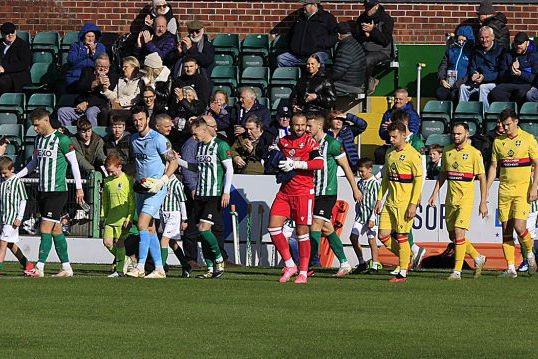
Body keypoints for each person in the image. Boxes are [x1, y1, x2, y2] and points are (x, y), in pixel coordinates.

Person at [18, 108, 85, 278]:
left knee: (44, 227)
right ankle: (66, 267)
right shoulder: (38, 140)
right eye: (33, 126)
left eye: (37, 125)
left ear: (46, 121)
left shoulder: (61, 140)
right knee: (56, 230)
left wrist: (79, 187)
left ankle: (39, 267)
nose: (35, 129)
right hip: (43, 190)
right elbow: (33, 164)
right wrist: (15, 177)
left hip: (57, 191)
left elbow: (74, 164)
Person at [268, 113, 324, 284]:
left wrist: (296, 164)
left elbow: (319, 163)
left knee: (301, 232)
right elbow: (273, 157)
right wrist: (273, 155)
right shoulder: (283, 141)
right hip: (285, 191)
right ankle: (290, 264)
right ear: (290, 125)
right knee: (273, 228)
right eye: (296, 125)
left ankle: (304, 272)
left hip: (303, 192)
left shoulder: (310, 141)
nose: (300, 128)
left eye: (303, 125)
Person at [428, 123, 488, 280]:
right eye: (454, 134)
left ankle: (457, 271)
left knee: (459, 231)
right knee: (453, 236)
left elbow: (482, 177)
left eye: (459, 134)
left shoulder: (474, 154)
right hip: (450, 200)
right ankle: (478, 257)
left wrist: (483, 201)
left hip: (465, 200)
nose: (456, 136)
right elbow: (443, 174)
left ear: (467, 134)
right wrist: (434, 193)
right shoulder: (447, 151)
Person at [125, 106, 178, 279]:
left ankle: (140, 266)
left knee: (141, 224)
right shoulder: (133, 139)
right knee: (150, 229)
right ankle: (159, 268)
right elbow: (138, 164)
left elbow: (174, 162)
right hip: (141, 188)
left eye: (141, 119)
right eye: (135, 120)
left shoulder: (159, 139)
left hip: (156, 188)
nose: (138, 123)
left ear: (148, 119)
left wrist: (161, 181)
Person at [177, 117, 234, 279]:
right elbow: (197, 168)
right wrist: (178, 161)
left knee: (204, 229)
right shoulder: (200, 147)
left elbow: (229, 169)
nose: (194, 138)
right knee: (201, 233)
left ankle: (218, 258)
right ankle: (210, 268)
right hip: (200, 195)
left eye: (196, 134)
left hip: (214, 195)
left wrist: (226, 191)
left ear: (203, 130)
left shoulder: (220, 145)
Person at [306, 113, 361, 277]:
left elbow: (346, 167)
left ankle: (310, 263)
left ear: (319, 126)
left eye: (310, 126)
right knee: (327, 228)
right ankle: (344, 263)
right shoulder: (310, 144)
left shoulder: (333, 144)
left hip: (327, 192)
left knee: (315, 224)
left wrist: (355, 188)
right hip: (312, 192)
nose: (307, 129)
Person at [486, 109, 538, 277]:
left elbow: (537, 164)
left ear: (516, 122)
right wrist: (485, 191)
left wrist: (534, 186)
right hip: (504, 190)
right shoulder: (498, 142)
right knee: (506, 229)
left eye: (508, 124)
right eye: (503, 124)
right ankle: (510, 268)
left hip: (522, 190)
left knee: (519, 226)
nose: (505, 127)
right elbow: (494, 167)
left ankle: (530, 254)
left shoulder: (528, 139)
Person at [374, 121, 423, 282]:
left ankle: (403, 272)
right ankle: (406, 255)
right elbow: (386, 179)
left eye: (395, 137)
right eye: (390, 137)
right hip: (389, 202)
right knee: (383, 235)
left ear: (403, 135)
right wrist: (379, 199)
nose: (392, 139)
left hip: (404, 203)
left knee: (402, 237)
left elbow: (418, 181)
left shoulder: (413, 154)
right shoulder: (390, 153)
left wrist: (413, 204)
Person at [100, 153, 135, 277]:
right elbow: (105, 201)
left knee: (119, 242)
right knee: (107, 243)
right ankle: (126, 259)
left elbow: (132, 201)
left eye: (112, 171)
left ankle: (119, 270)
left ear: (119, 166)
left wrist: (129, 217)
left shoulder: (128, 179)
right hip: (110, 218)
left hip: (123, 219)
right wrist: (103, 217)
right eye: (108, 172)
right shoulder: (108, 182)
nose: (110, 174)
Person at [277, 0, 337, 67]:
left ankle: (317, 77)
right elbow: (291, 35)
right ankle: (294, 75)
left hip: (319, 52)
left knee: (315, 60)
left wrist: (320, 44)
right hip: (297, 54)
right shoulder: (300, 18)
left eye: (306, 5)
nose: (303, 7)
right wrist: (292, 46)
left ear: (314, 5)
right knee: (281, 58)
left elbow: (334, 37)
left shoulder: (327, 17)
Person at [0, 156, 34, 274]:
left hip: (12, 218)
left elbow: (23, 200)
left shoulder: (17, 181)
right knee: (9, 243)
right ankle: (27, 264)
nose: (3, 175)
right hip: (3, 217)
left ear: (12, 169)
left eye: (5, 173)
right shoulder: (2, 182)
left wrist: (19, 217)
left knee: (3, 242)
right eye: (1, 173)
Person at [459, 26, 504, 113]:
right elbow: (472, 67)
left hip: (495, 83)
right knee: (463, 87)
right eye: (481, 37)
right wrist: (473, 75)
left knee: (483, 88)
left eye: (487, 37)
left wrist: (484, 77)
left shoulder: (501, 51)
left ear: (492, 37)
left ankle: (484, 116)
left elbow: (502, 73)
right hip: (478, 81)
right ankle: (462, 114)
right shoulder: (477, 50)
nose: (484, 40)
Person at [354, 0, 394, 94]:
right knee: (350, 57)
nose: (367, 9)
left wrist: (373, 31)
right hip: (364, 49)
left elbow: (385, 41)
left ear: (376, 6)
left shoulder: (386, 19)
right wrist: (365, 35)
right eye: (366, 7)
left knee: (367, 60)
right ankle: (366, 81)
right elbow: (357, 36)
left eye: (370, 7)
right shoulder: (362, 18)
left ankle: (366, 86)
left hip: (381, 51)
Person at [349, 157, 381, 274]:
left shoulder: (375, 183)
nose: (360, 174)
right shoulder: (360, 182)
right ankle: (362, 262)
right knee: (353, 237)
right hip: (361, 216)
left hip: (370, 216)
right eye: (359, 171)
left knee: (372, 240)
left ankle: (375, 265)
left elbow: (377, 202)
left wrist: (372, 218)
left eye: (362, 171)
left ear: (370, 170)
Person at [375, 88, 420, 164]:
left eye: (400, 99)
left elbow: (413, 132)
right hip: (392, 145)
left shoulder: (412, 114)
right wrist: (392, 134)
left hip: (408, 145)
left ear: (407, 100)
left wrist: (393, 127)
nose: (398, 101)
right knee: (379, 152)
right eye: (396, 99)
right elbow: (382, 133)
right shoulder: (388, 113)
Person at [159, 173, 190, 277]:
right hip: (164, 214)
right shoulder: (162, 181)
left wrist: (184, 219)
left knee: (164, 240)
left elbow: (182, 201)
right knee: (172, 243)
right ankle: (186, 265)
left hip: (173, 214)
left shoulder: (176, 183)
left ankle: (160, 268)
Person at [436, 26, 474, 102]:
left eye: (463, 40)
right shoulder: (451, 51)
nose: (460, 42)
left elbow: (470, 72)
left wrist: (457, 84)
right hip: (448, 83)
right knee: (440, 93)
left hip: (461, 84)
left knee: (454, 95)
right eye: (459, 40)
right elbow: (443, 66)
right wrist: (442, 80)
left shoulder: (471, 53)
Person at [65, 23, 106, 92]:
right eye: (88, 36)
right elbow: (71, 60)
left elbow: (102, 62)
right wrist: (86, 53)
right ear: (84, 36)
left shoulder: (100, 47)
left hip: (92, 76)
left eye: (93, 36)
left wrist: (93, 52)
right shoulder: (75, 46)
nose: (90, 39)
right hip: (76, 76)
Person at [331, 21, 366, 94]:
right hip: (357, 82)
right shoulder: (354, 42)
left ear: (338, 35)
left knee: (320, 85)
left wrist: (325, 76)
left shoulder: (344, 48)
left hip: (348, 84)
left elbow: (337, 72)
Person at [0, 22, 31, 94]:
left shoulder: (22, 45)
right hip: (3, 74)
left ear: (15, 31)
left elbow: (24, 64)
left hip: (17, 76)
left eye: (12, 32)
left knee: (2, 82)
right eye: (7, 33)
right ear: (2, 34)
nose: (10, 35)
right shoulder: (0, 43)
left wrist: (4, 68)